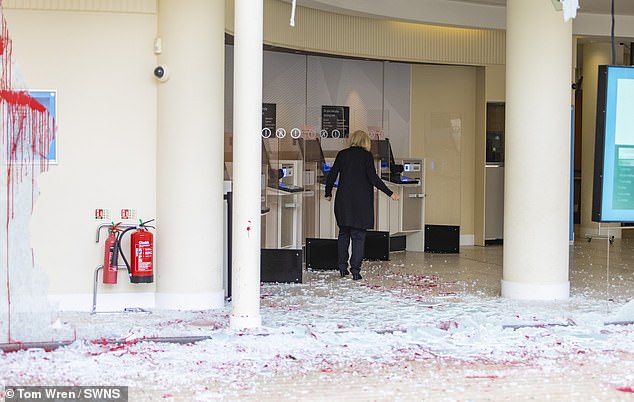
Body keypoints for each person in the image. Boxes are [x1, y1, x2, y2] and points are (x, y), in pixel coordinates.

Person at [325, 130, 400, 280]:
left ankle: (342, 268)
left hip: (343, 201)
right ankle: (356, 271)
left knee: (343, 234)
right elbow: (373, 178)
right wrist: (390, 193)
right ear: (366, 142)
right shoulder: (366, 156)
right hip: (362, 202)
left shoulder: (342, 154)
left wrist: (328, 192)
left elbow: (332, 174)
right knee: (358, 237)